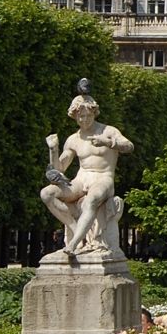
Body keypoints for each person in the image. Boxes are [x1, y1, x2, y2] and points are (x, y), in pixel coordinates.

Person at [41, 85, 133, 257]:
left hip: (103, 178)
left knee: (91, 199)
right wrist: (53, 149)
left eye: (87, 116)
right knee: (47, 193)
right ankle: (76, 229)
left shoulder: (108, 131)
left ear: (94, 113)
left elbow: (129, 146)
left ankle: (74, 244)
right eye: (80, 117)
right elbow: (60, 168)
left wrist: (108, 142)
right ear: (75, 116)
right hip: (81, 179)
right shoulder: (73, 139)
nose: (84, 120)